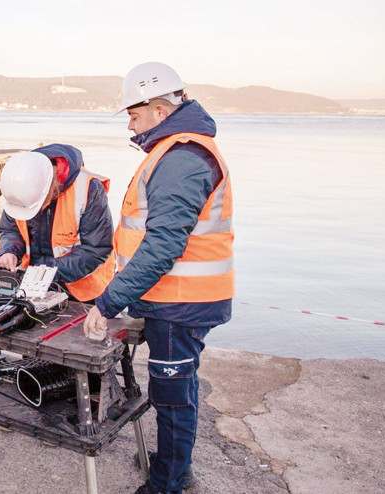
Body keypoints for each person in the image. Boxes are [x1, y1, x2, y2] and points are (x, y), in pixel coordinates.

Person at [83, 62, 234, 494]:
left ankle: (166, 482)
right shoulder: (178, 151)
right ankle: (174, 463)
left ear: (159, 109)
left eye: (133, 114)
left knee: (171, 396)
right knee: (180, 385)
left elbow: (164, 245)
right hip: (177, 298)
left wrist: (108, 302)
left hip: (181, 301)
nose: (129, 123)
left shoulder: (182, 156)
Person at [0, 144, 113, 302]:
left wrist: (46, 270)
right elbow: (10, 230)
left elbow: (96, 249)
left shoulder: (88, 190)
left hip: (83, 290)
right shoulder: (20, 186)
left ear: (50, 189)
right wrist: (9, 250)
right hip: (33, 282)